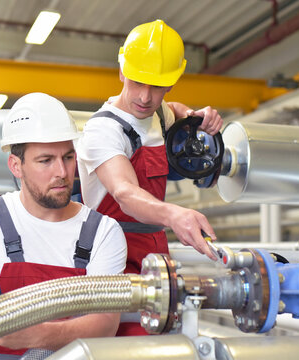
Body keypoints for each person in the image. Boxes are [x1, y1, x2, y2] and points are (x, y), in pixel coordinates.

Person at [75, 19, 223, 335]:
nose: (145, 97)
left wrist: (200, 118)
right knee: (125, 342)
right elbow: (125, 193)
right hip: (112, 253)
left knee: (163, 337)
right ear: (121, 72)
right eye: (137, 82)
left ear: (172, 82)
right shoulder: (103, 129)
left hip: (155, 250)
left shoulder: (160, 114)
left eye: (156, 86)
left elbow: (179, 111)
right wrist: (175, 215)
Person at [0, 92, 127, 359]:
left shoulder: (103, 232)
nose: (61, 172)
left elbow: (105, 323)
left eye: (68, 157)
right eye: (46, 160)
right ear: (16, 165)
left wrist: (34, 335)